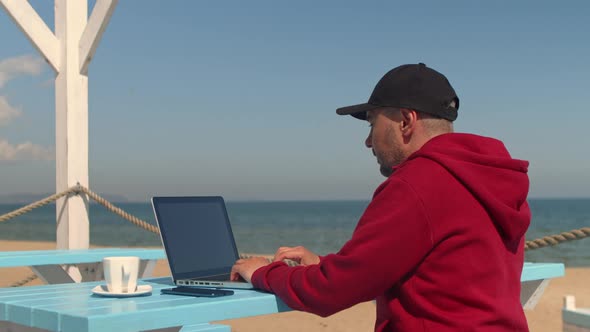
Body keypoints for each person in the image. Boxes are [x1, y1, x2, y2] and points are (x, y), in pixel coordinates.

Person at [231, 63, 531, 331]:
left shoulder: (418, 183)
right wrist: (323, 264)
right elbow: (437, 271)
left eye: (373, 124)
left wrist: (263, 272)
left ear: (405, 121)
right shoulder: (489, 177)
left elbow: (331, 292)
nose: (367, 141)